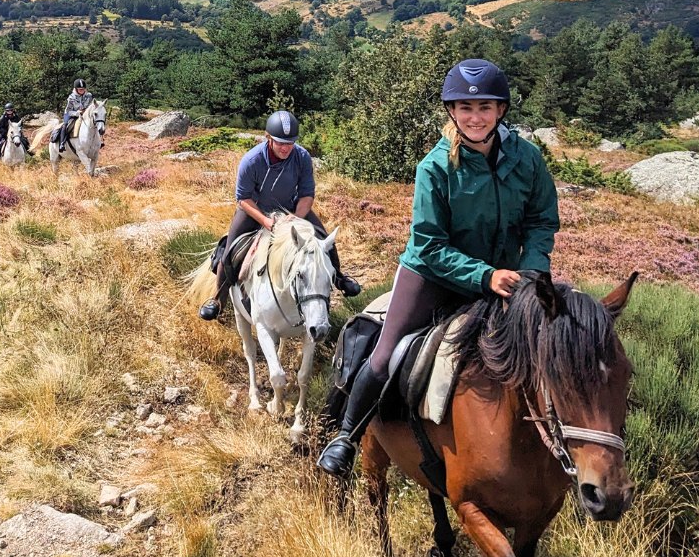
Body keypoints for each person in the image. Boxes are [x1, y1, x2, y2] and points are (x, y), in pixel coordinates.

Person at [317, 59, 560, 479]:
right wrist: (484, 276)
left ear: (501, 110)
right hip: (432, 273)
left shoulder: (528, 159)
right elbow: (429, 245)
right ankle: (345, 436)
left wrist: (534, 272)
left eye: (485, 107)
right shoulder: (435, 166)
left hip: (506, 276)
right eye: (465, 108)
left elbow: (541, 222)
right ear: (451, 111)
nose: (475, 117)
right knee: (385, 356)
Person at [198, 110, 362, 321]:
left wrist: (294, 217)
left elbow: (306, 195)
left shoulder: (302, 157)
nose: (286, 147)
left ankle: (339, 277)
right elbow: (243, 199)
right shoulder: (252, 160)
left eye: (290, 143)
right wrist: (266, 222)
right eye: (280, 142)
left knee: (323, 238)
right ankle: (218, 299)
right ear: (269, 138)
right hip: (255, 210)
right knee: (231, 251)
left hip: (290, 209)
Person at [60, 78, 93, 152]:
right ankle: (62, 143)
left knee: (94, 123)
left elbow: (91, 106)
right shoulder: (71, 97)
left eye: (83, 89)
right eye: (80, 89)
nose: (82, 91)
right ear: (76, 89)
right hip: (71, 114)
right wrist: (77, 113)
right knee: (65, 125)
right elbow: (69, 111)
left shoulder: (89, 96)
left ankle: (98, 141)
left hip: (85, 114)